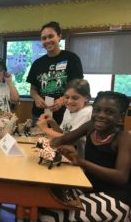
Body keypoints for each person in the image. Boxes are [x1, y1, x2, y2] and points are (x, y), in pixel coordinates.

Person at [38, 91, 131, 222]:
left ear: (121, 117)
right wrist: (45, 145)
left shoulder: (124, 138)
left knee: (50, 217)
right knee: (42, 202)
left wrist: (81, 162)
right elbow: (64, 139)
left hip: (115, 197)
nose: (101, 115)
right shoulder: (90, 126)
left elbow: (121, 177)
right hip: (88, 187)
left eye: (109, 112)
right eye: (97, 110)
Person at [26, 21, 83, 125]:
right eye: (44, 38)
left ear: (59, 36)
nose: (47, 40)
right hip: (40, 115)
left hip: (65, 114)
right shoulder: (37, 63)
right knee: (39, 141)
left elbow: (78, 87)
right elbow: (33, 89)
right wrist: (36, 98)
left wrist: (62, 100)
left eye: (51, 36)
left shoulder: (72, 58)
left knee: (62, 140)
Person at [37, 79, 92, 157]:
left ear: (86, 98)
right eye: (66, 97)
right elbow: (63, 133)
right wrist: (52, 122)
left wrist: (45, 129)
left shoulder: (87, 113)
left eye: (75, 98)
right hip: (67, 154)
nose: (69, 101)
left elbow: (69, 140)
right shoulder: (69, 109)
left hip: (79, 158)